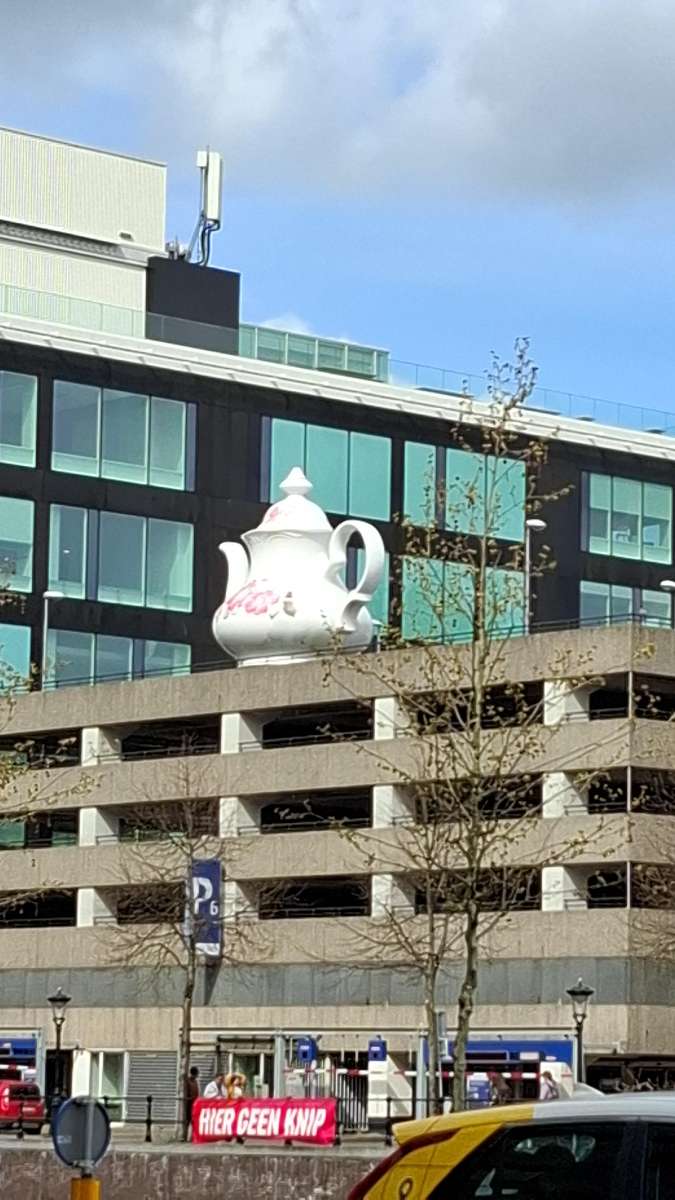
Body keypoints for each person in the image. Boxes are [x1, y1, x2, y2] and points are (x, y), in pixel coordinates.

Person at [184, 1065, 200, 1138]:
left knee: (194, 1121)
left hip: (194, 1103)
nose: (198, 1075)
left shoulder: (195, 1081)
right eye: (197, 1074)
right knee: (187, 1121)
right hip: (189, 1104)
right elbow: (186, 1092)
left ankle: (192, 1136)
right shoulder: (187, 1081)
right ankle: (184, 1136)